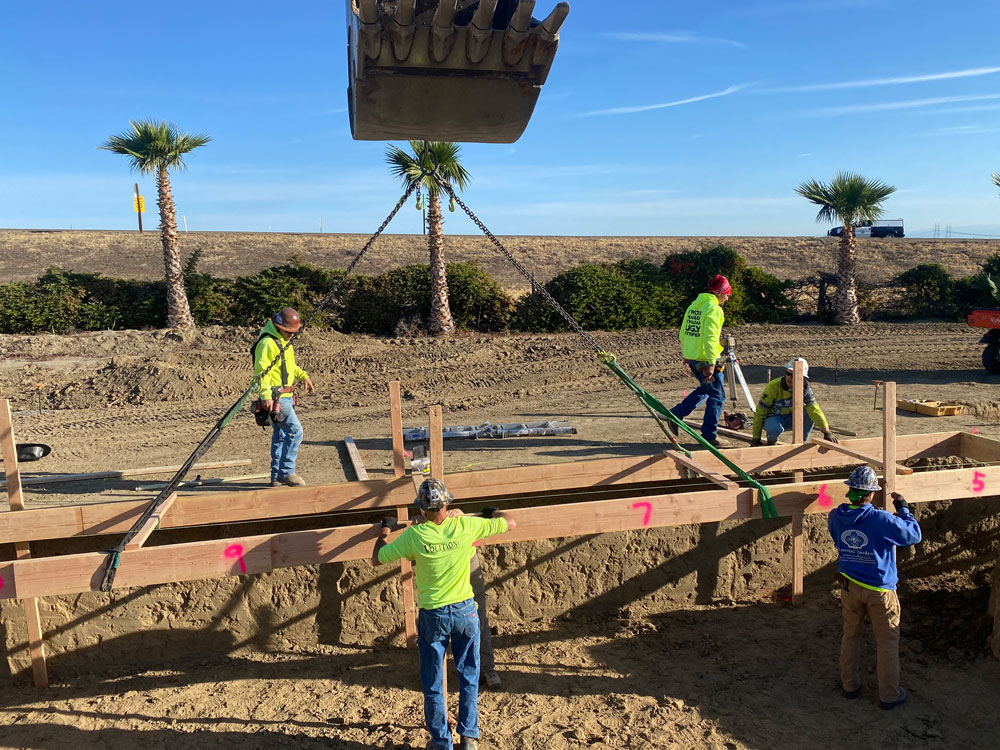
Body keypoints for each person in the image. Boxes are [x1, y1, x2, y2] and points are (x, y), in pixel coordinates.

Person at [373, 478, 515, 750]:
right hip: (465, 612)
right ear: (447, 503)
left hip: (434, 615)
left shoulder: (415, 537)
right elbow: (511, 522)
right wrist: (492, 512)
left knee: (433, 681)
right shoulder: (464, 526)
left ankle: (441, 742)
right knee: (469, 675)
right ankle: (469, 737)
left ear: (422, 510)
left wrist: (385, 530)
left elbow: (377, 557)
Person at [828, 466, 921, 710]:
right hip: (880, 591)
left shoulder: (835, 516)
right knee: (887, 643)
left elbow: (839, 539)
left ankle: (850, 685)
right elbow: (913, 535)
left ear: (850, 490)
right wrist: (904, 510)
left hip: (849, 587)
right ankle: (889, 695)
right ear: (871, 494)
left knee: (850, 635)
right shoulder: (881, 519)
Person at [668, 275, 732, 447]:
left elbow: (685, 331)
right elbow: (710, 337)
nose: (727, 298)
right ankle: (709, 436)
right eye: (727, 294)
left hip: (693, 356)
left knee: (706, 390)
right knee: (717, 396)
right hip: (705, 359)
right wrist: (712, 362)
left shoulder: (695, 305)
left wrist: (686, 353)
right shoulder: (714, 309)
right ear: (720, 293)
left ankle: (675, 414)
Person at [253, 307, 315, 487]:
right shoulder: (267, 344)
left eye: (293, 333)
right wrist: (265, 395)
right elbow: (260, 372)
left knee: (281, 434)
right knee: (295, 431)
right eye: (289, 332)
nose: (291, 335)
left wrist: (303, 375)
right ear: (278, 326)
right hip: (275, 397)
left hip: (285, 396)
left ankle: (276, 476)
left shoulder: (283, 342)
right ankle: (287, 473)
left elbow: (289, 366)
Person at [749, 358, 839, 446]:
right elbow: (760, 413)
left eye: (794, 375)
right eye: (788, 374)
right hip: (773, 418)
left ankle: (800, 444)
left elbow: (814, 409)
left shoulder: (805, 389)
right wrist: (756, 438)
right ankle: (771, 443)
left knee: (809, 413)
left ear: (802, 377)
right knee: (775, 429)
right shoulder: (773, 387)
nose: (790, 378)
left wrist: (826, 431)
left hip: (792, 418)